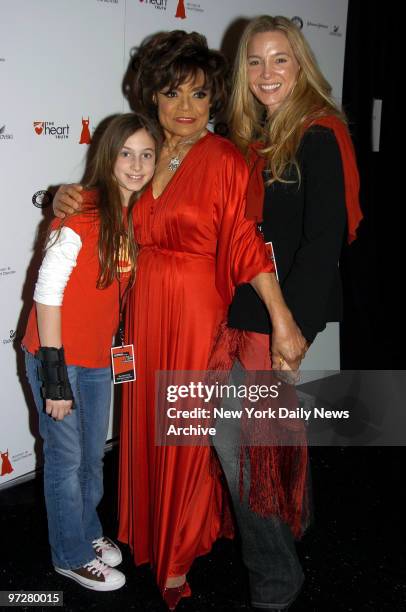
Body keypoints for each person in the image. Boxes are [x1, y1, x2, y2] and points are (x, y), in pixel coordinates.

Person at [52, 31, 307, 609]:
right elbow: (103, 203)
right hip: (142, 314)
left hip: (197, 316)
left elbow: (244, 240)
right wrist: (63, 194)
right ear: (153, 98)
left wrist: (281, 314)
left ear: (214, 98)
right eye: (172, 95)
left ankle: (179, 549)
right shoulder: (139, 150)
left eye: (197, 95)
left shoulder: (223, 157)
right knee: (149, 428)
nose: (186, 109)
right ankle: (153, 532)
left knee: (189, 435)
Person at [212, 15, 363, 611]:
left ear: (300, 65)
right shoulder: (247, 138)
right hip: (243, 307)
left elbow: (324, 241)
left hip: (278, 316)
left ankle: (276, 575)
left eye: (280, 59)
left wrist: (289, 330)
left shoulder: (318, 134)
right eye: (255, 61)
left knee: (237, 440)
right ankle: (295, 523)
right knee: (269, 436)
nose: (266, 73)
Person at [22, 113, 160, 591]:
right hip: (57, 358)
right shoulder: (82, 211)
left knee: (91, 459)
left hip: (99, 359)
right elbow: (47, 294)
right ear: (108, 156)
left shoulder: (132, 215)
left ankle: (86, 531)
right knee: (65, 462)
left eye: (147, 154)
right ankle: (70, 555)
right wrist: (55, 380)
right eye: (127, 153)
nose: (137, 165)